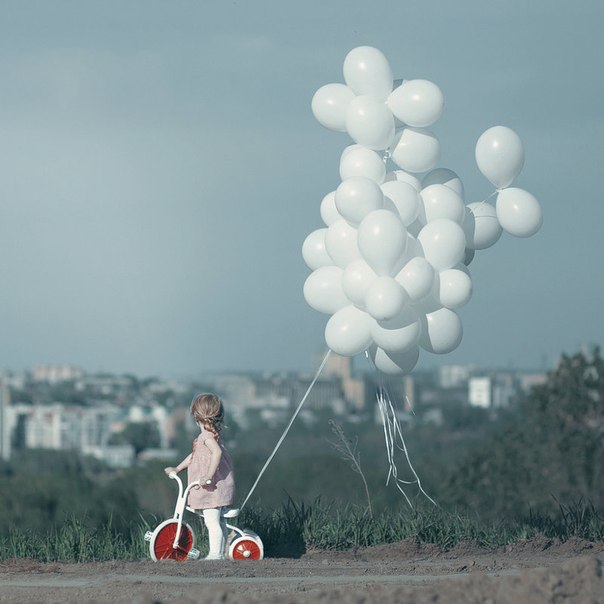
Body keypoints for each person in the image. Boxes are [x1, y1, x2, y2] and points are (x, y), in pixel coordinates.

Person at [164, 393, 235, 560]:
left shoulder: (207, 438)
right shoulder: (210, 437)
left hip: (211, 488)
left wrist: (208, 475)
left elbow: (216, 453)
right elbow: (194, 457)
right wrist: (178, 468)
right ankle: (221, 553)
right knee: (219, 521)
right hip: (216, 487)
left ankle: (215, 555)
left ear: (197, 417)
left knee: (212, 521)